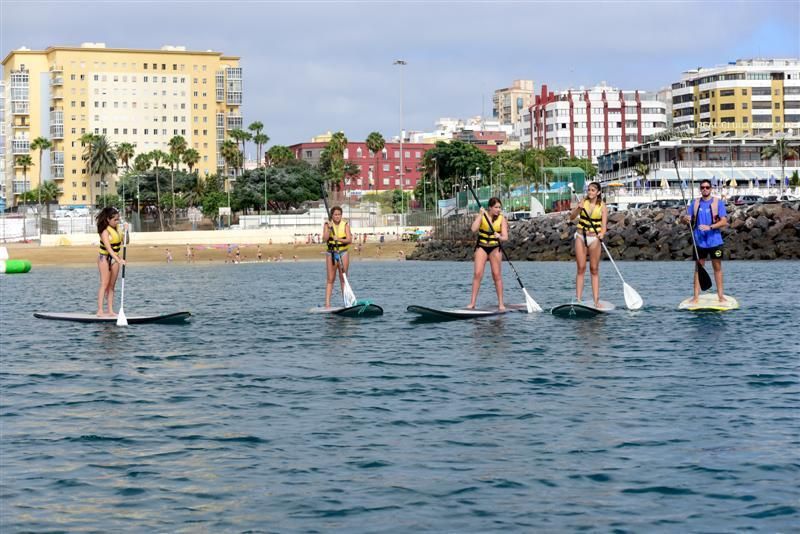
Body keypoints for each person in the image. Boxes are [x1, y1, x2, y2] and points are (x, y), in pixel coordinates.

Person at [682, 178, 729, 303]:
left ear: (711, 189)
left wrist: (710, 227)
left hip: (715, 241)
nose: (705, 189)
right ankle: (696, 297)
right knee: (699, 268)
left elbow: (724, 221)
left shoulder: (717, 203)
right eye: (702, 187)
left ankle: (720, 296)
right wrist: (685, 219)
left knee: (717, 267)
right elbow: (687, 219)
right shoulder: (695, 203)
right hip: (699, 241)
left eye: (707, 187)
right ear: (700, 189)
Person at [569, 181, 607, 307]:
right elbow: (572, 217)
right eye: (589, 190)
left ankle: (596, 301)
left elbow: (603, 227)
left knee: (594, 269)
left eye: (593, 190)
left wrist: (601, 234)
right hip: (580, 236)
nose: (590, 192)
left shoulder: (602, 206)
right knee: (581, 268)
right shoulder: (582, 203)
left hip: (594, 239)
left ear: (598, 192)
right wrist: (578, 208)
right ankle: (578, 300)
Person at [468, 197, 508, 310]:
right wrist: (480, 215)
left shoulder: (502, 219)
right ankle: (472, 303)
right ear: (490, 208)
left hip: (495, 248)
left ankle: (501, 304)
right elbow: (473, 229)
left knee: (496, 275)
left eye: (500, 207)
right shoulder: (483, 215)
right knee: (477, 274)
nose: (498, 210)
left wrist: (499, 236)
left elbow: (505, 237)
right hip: (482, 247)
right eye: (496, 207)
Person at [95, 207, 127, 317]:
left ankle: (110, 311)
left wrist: (126, 231)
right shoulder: (105, 231)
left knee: (112, 286)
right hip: (104, 258)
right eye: (115, 220)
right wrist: (119, 260)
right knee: (104, 284)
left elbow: (126, 241)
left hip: (115, 258)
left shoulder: (118, 229)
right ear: (108, 219)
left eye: (118, 219)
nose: (117, 222)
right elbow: (108, 249)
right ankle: (100, 310)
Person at [322, 205, 352, 307]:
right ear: (332, 215)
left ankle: (346, 303)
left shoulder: (345, 225)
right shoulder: (327, 224)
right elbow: (325, 239)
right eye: (335, 214)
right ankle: (327, 304)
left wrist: (338, 239)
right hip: (331, 253)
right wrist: (329, 230)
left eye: (339, 214)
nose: (337, 216)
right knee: (330, 279)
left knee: (343, 278)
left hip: (343, 252)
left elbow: (349, 240)